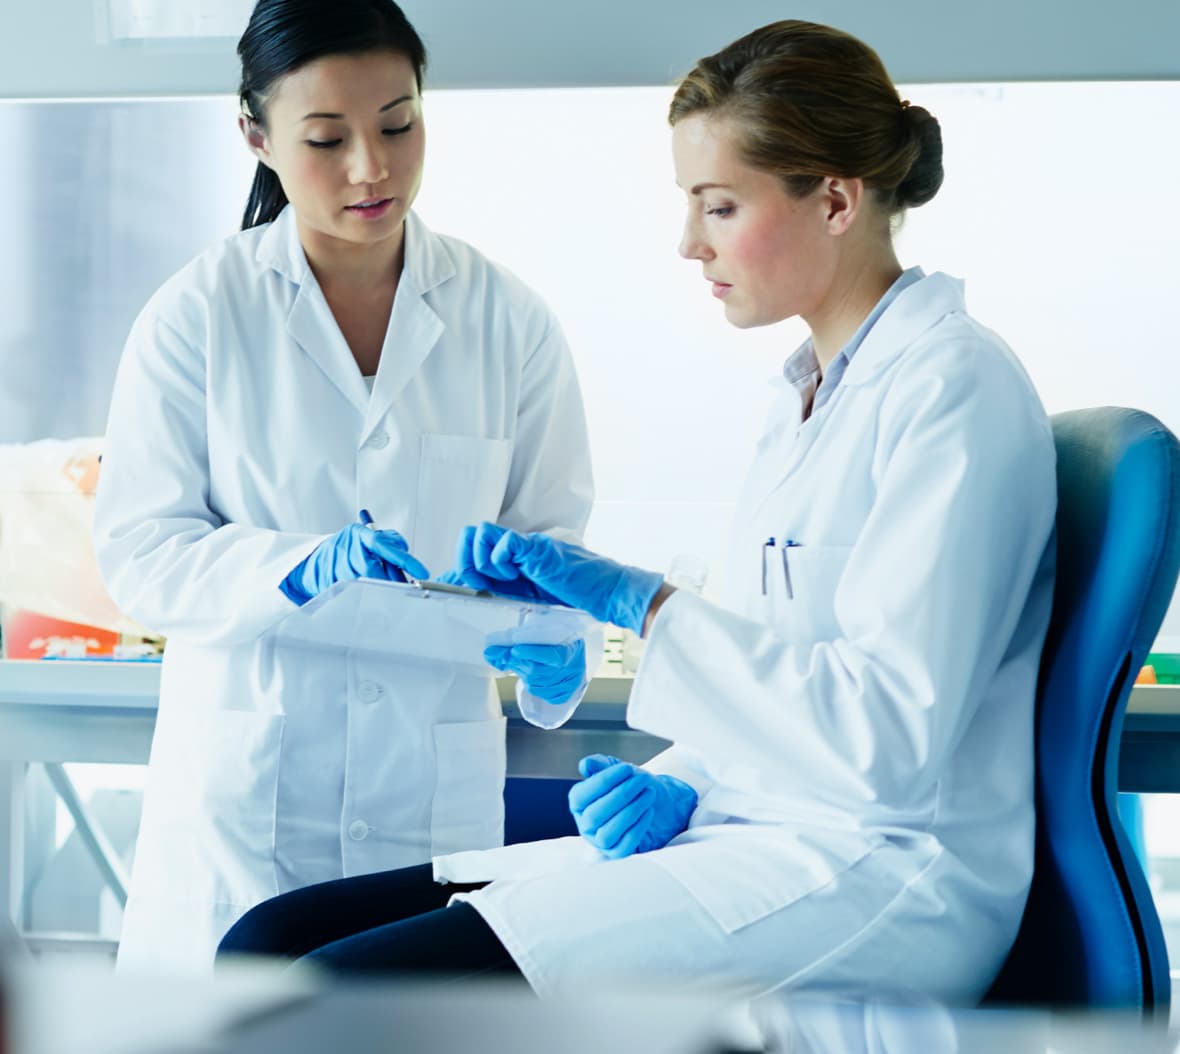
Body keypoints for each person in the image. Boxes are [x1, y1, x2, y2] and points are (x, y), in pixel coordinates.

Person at [217, 19, 1057, 1003]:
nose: (688, 241)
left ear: (834, 199)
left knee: (336, 993)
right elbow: (778, 673)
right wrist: (685, 779)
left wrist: (642, 604)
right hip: (761, 828)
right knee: (268, 939)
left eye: (719, 205)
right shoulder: (810, 398)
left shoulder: (950, 390)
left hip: (884, 869)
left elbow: (887, 742)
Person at [93, 0, 596, 974]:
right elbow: (139, 557)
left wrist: (553, 648)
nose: (371, 167)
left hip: (429, 806)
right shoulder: (199, 314)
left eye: (398, 124)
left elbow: (553, 550)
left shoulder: (507, 319)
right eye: (327, 138)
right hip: (245, 818)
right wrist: (293, 569)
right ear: (256, 135)